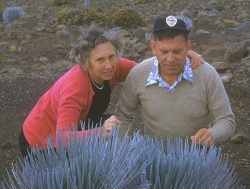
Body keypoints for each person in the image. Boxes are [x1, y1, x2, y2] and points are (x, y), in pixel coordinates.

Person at [18, 24, 203, 157]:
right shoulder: (75, 88)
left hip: (82, 124)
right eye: (100, 60)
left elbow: (148, 70)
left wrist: (180, 54)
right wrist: (100, 132)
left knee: (116, 131)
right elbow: (63, 138)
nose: (109, 65)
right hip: (40, 142)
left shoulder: (116, 67)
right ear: (86, 62)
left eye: (111, 57)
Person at [112, 16, 235, 146]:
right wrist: (119, 151)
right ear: (153, 47)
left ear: (188, 47)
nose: (170, 59)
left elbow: (226, 121)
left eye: (177, 51)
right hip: (153, 160)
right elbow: (122, 117)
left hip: (198, 160)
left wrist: (213, 134)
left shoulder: (206, 74)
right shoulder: (138, 74)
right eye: (164, 51)